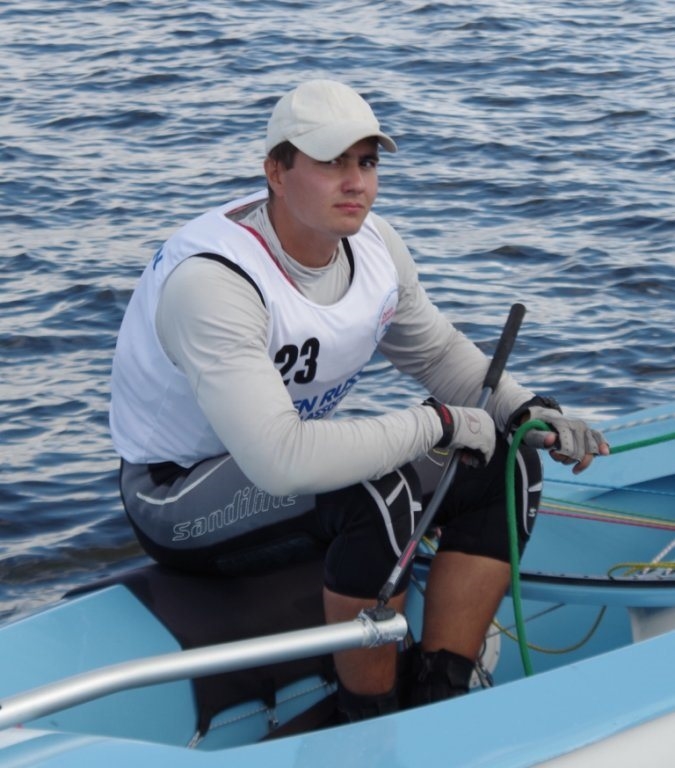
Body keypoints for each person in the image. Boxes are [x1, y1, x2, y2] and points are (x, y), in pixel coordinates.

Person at [109, 79, 609, 722]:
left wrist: (527, 412)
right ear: (276, 172)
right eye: (331, 162)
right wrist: (437, 424)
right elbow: (282, 460)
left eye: (367, 163)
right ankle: (369, 720)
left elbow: (435, 353)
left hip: (275, 464)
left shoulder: (375, 246)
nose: (356, 184)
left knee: (506, 463)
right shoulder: (213, 282)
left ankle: (441, 692)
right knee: (378, 490)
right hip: (174, 493)